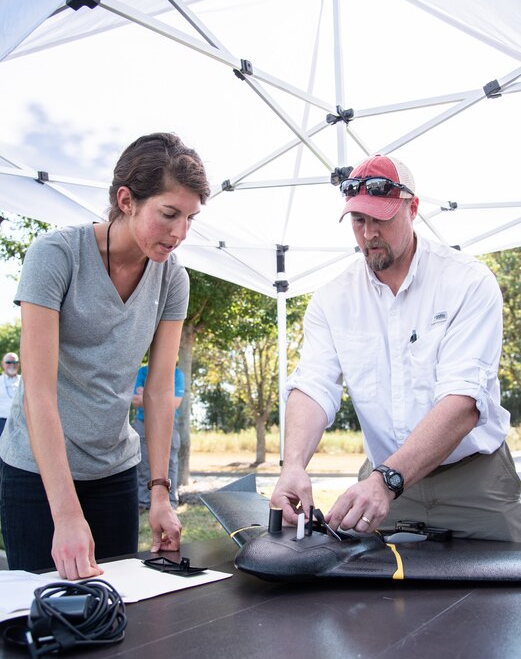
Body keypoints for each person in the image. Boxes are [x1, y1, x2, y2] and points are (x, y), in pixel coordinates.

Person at [271, 154, 521, 541]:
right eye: (358, 220)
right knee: (374, 598)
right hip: (378, 484)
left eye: (381, 219)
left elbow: (464, 402)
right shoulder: (332, 299)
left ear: (413, 208)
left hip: (474, 481)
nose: (369, 233)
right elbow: (313, 386)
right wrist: (293, 466)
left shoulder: (467, 282)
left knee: (499, 597)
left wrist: (386, 480)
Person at [0, 132, 210, 577]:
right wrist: (67, 514)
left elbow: (156, 392)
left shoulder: (173, 279)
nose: (180, 233)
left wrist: (159, 493)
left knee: (116, 613)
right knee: (42, 618)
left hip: (114, 471)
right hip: (38, 475)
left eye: (190, 218)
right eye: (169, 214)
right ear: (127, 199)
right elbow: (37, 392)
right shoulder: (55, 255)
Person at [132, 364, 184, 511]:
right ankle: (143, 502)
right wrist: (161, 396)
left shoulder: (177, 374)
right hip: (142, 421)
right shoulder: (142, 372)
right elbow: (135, 401)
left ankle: (171, 502)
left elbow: (174, 403)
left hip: (168, 422)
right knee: (142, 462)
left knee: (171, 462)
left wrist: (146, 395)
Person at [0, 352, 20, 435]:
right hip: (1, 423)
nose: (12, 365)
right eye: (9, 362)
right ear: (2, 364)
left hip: (20, 423)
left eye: (15, 362)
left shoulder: (25, 380)